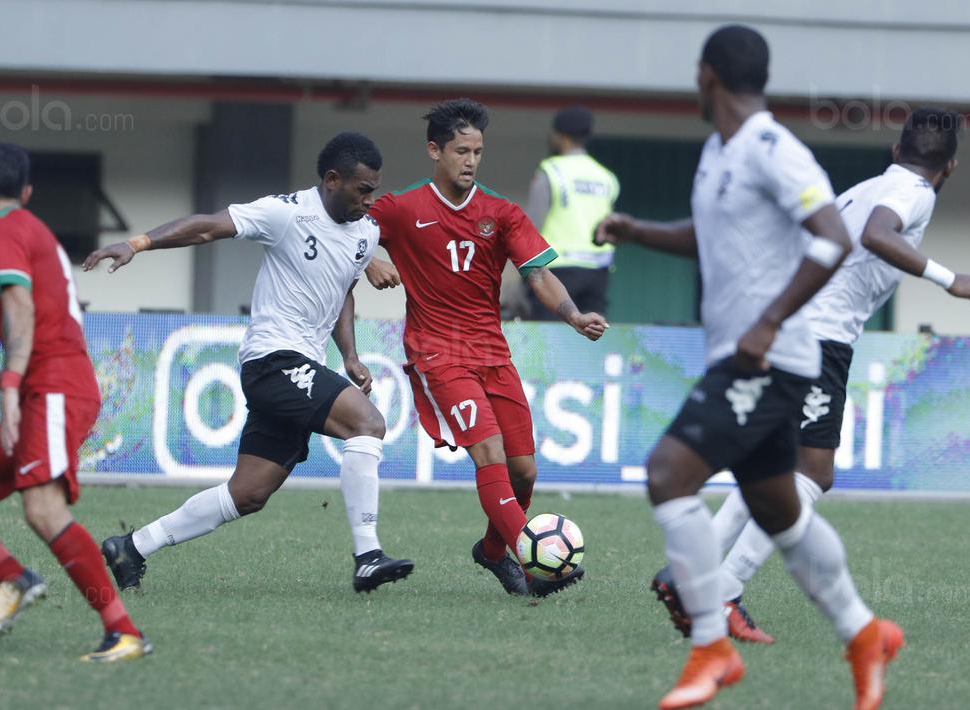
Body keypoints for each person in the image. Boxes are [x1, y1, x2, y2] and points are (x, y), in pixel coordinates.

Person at [596, 26, 901, 709]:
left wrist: (768, 321)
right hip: (746, 356)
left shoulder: (774, 149)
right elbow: (709, 237)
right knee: (781, 513)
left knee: (668, 474)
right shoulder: (716, 152)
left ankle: (711, 648)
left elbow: (831, 237)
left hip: (769, 359)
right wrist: (636, 230)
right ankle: (863, 633)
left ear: (706, 75)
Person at [699, 107, 970, 642]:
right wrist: (950, 279)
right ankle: (722, 588)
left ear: (896, 152)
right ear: (949, 167)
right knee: (812, 475)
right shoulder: (913, 195)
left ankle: (695, 572)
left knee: (774, 467)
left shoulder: (866, 187)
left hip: (793, 329)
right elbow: (882, 235)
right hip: (818, 340)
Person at [83, 132, 414, 594]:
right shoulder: (286, 213)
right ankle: (368, 555)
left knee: (249, 493)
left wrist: (351, 356)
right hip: (273, 361)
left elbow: (342, 291)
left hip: (301, 365)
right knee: (368, 424)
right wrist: (137, 244)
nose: (369, 199)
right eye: (362, 189)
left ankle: (132, 547)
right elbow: (206, 226)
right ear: (332, 180)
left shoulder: (365, 232)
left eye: (374, 189)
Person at [0, 139, 150, 662]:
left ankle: (123, 631)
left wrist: (11, 390)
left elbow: (19, 306)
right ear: (26, 189)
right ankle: (12, 578)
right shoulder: (29, 228)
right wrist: (4, 379)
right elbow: (42, 322)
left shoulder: (0, 230)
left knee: (43, 509)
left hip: (54, 391)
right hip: (47, 386)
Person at [364, 99, 607, 597]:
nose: (471, 160)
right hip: (438, 351)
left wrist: (574, 315)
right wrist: (368, 258)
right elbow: (345, 228)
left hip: (493, 352)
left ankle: (492, 552)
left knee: (524, 470)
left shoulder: (501, 212)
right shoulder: (402, 208)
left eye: (478, 151)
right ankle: (538, 559)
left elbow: (537, 273)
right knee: (489, 453)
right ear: (435, 150)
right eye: (460, 150)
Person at [523, 106, 619, 319]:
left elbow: (531, 227)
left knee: (549, 341)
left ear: (560, 136)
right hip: (598, 272)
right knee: (589, 337)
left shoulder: (551, 170)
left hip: (556, 271)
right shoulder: (605, 177)